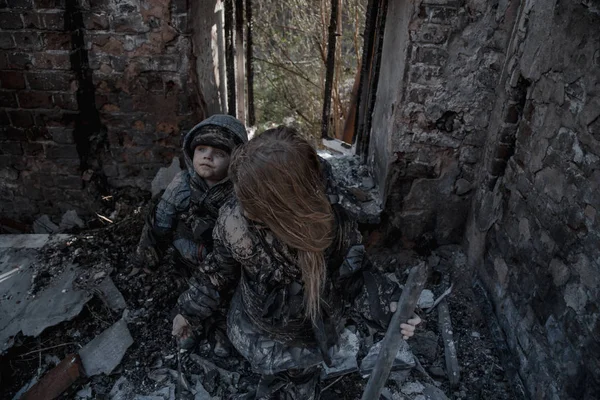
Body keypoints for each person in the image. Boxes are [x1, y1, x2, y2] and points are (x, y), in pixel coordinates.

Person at [173, 126, 421, 399]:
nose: (241, 205)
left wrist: (390, 306)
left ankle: (299, 382)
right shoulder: (234, 222)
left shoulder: (334, 226)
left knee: (301, 375)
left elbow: (353, 277)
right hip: (256, 324)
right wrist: (188, 311)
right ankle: (273, 379)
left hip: (312, 332)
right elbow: (217, 271)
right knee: (269, 370)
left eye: (250, 198)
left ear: (285, 205)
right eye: (239, 192)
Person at [135, 114, 248, 272]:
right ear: (191, 152)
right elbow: (159, 225)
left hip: (225, 265)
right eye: (201, 149)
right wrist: (145, 261)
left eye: (219, 153)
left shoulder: (239, 192)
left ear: (235, 161)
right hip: (184, 255)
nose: (207, 156)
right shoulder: (181, 184)